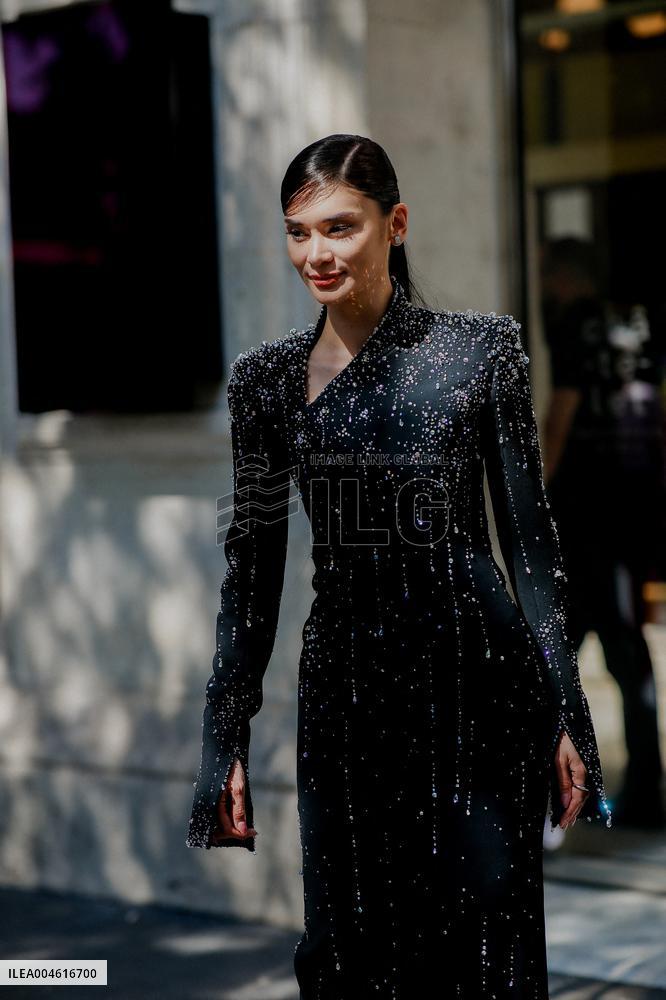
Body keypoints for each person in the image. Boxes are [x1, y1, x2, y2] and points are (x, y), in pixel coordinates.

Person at [186, 135, 612, 998]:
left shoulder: (481, 352)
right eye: (299, 232)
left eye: (340, 227)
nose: (318, 253)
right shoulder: (265, 382)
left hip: (477, 690)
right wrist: (222, 738)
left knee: (485, 953)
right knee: (350, 951)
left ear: (397, 223)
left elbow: (532, 551)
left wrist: (570, 713)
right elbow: (252, 573)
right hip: (346, 696)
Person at [541, 237, 665, 829]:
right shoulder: (634, 324)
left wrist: (535, 492)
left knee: (563, 649)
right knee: (621, 646)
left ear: (562, 278)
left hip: (584, 509)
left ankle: (572, 791)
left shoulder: (573, 324)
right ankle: (638, 787)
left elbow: (561, 413)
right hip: (632, 507)